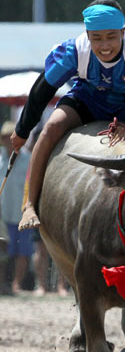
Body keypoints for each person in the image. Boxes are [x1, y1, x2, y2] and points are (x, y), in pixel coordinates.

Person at [11, 0, 125, 232]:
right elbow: (41, 91)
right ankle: (29, 204)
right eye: (97, 38)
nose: (105, 45)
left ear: (123, 32)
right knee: (51, 127)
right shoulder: (73, 51)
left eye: (111, 37)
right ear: (87, 35)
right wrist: (22, 131)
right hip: (90, 100)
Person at [0, 120, 34, 294]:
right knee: (3, 250)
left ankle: (16, 284)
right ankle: (3, 284)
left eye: (10, 136)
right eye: (5, 137)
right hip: (3, 213)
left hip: (22, 213)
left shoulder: (29, 158)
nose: (8, 139)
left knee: (23, 252)